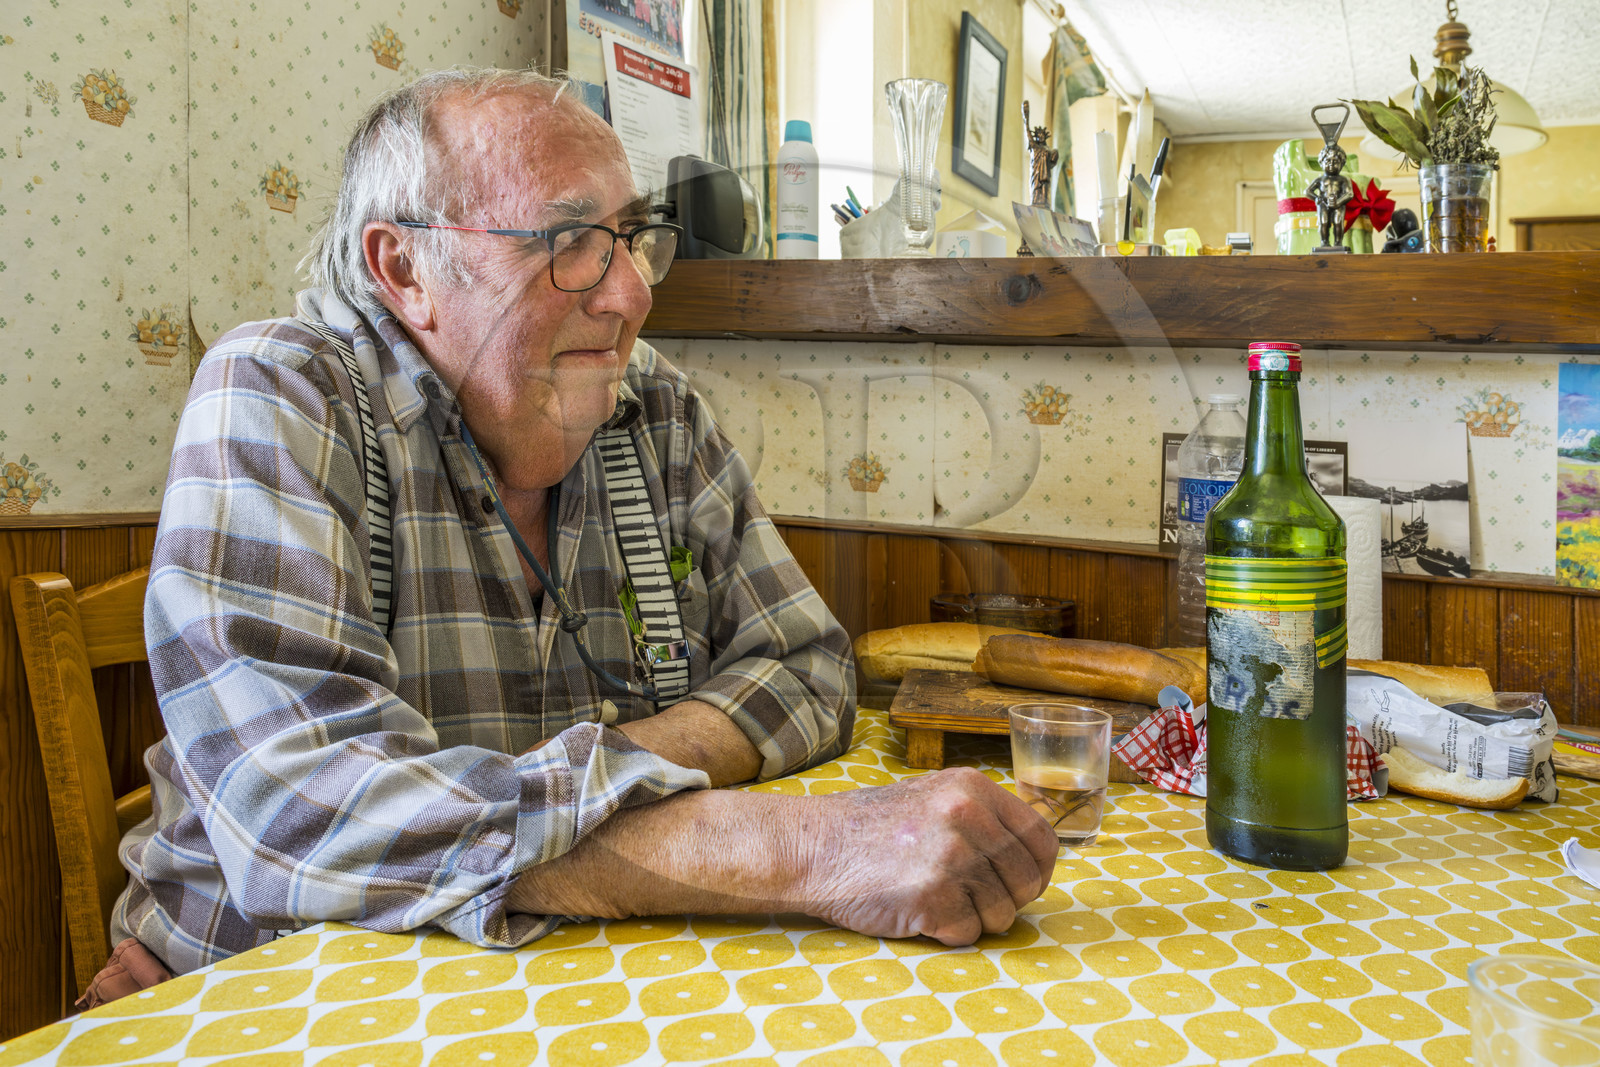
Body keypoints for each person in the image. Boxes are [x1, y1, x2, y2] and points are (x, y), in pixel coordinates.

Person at [112, 67, 1056, 981]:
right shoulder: (285, 392)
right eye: (569, 240)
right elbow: (301, 815)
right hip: (273, 981)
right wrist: (794, 846)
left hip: (552, 976)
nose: (632, 292)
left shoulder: (655, 410)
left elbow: (808, 667)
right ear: (404, 268)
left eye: (632, 235)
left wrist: (587, 787)